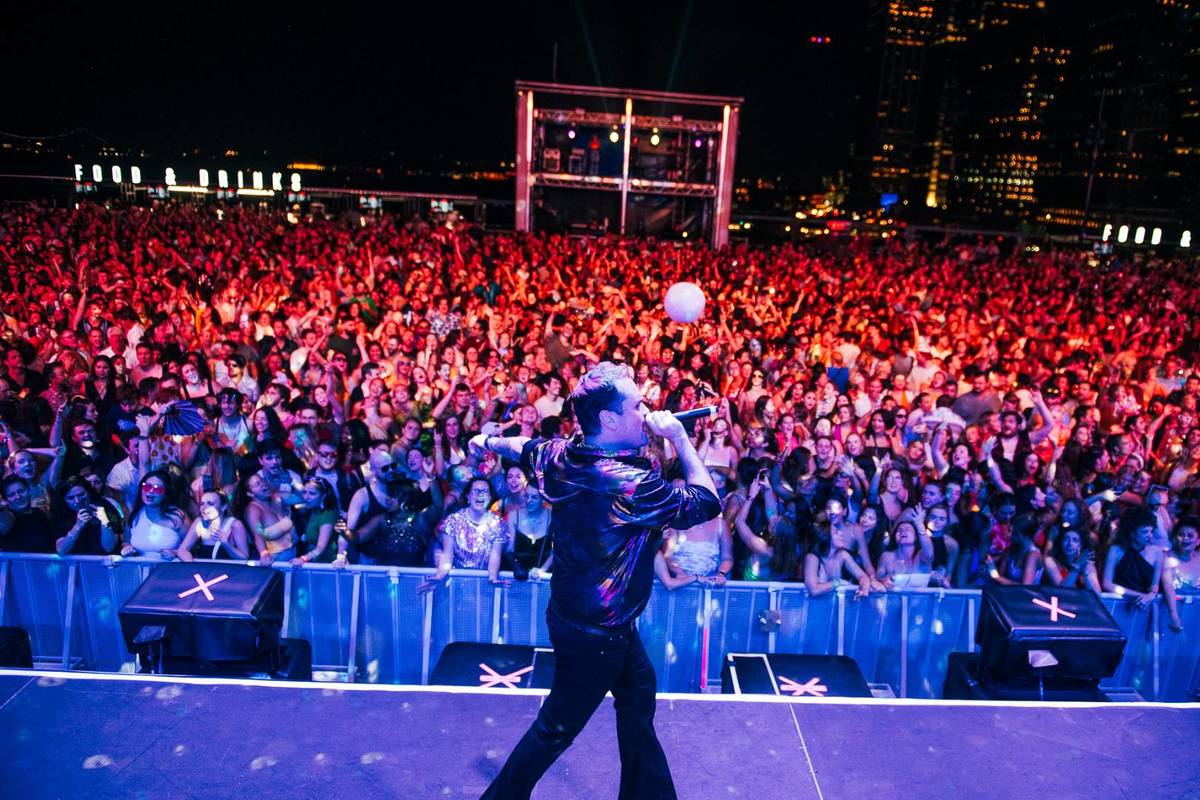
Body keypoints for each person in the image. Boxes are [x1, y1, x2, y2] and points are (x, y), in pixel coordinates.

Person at [473, 361, 720, 800]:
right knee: (555, 729)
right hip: (597, 633)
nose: (646, 412)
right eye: (637, 406)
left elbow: (523, 446)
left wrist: (488, 440)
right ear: (608, 419)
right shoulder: (630, 483)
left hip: (598, 622)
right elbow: (706, 502)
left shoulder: (564, 453)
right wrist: (680, 438)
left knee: (639, 697)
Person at [174, 490, 249, 561]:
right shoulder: (199, 522)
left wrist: (226, 544)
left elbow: (244, 558)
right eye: (202, 504)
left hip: (229, 572)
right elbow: (182, 550)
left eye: (210, 504)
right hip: (205, 572)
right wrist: (191, 564)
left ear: (223, 507)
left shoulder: (235, 524)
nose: (204, 507)